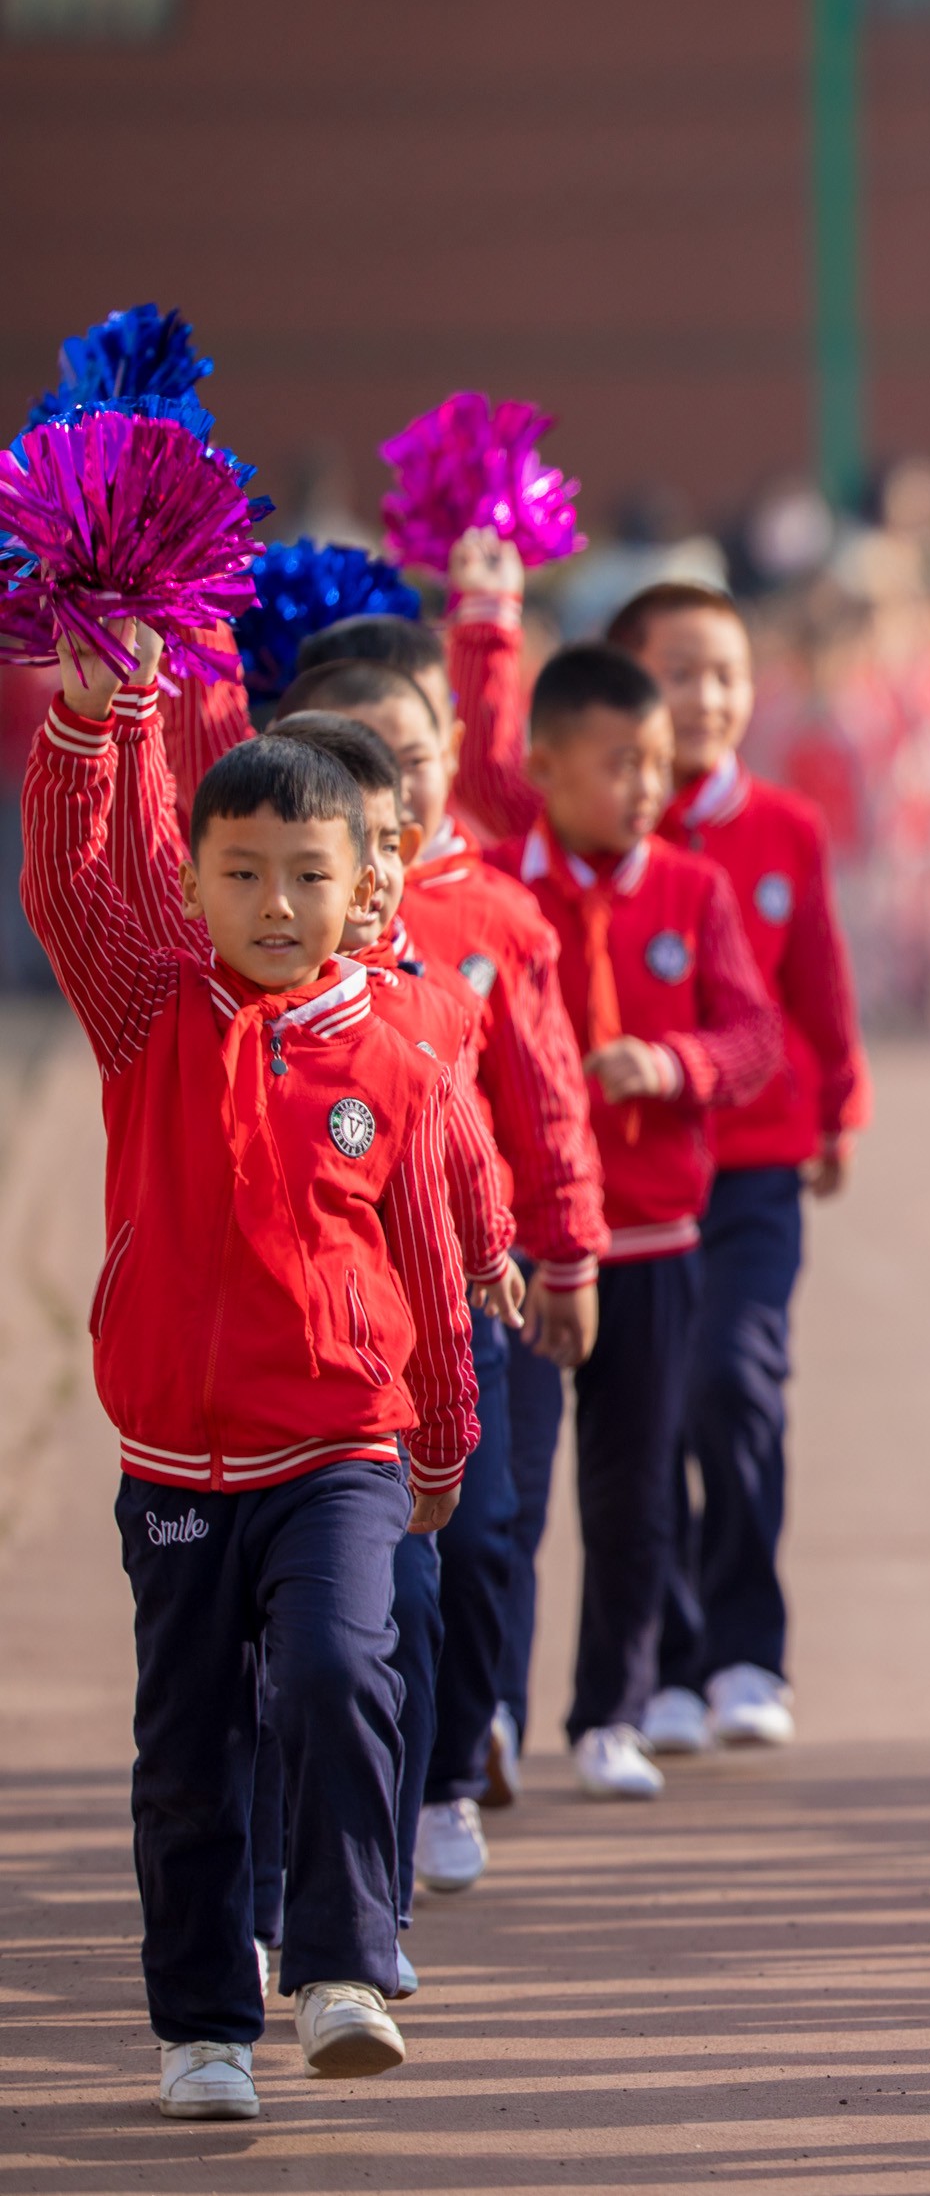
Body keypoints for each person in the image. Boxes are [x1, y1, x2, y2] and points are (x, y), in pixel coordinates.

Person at [23, 627, 477, 2121]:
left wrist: (443, 1442)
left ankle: (345, 1961)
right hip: (174, 1467)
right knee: (187, 1752)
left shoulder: (394, 1063)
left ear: (361, 893)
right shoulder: (149, 1018)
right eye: (239, 874)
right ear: (199, 882)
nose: (272, 905)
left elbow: (422, 1259)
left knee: (345, 1669)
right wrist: (96, 726)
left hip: (339, 1445)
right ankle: (206, 2023)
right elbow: (73, 887)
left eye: (306, 876)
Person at [288, 630, 606, 1825]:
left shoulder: (493, 918)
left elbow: (542, 1096)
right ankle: (385, 1791)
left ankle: (462, 1756)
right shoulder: (279, 918)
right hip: (327, 1308)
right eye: (365, 756)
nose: (397, 781)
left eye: (414, 754)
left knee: (480, 1542)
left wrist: (562, 1249)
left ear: (450, 756)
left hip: (471, 1291)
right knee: (374, 1578)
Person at [489, 644, 783, 1801]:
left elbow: (752, 1038)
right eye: (619, 765)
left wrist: (667, 1065)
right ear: (543, 767)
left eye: (657, 764)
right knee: (504, 1494)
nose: (646, 786)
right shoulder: (506, 898)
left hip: (655, 1238)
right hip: (522, 1242)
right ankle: (489, 1721)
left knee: (635, 1492)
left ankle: (610, 1709)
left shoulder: (692, 891)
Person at [608, 580, 872, 1756]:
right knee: (651, 1411)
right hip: (636, 1177)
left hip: (760, 1162)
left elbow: (817, 980)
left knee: (735, 1384)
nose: (706, 698)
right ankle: (666, 1664)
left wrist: (839, 1109)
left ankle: (748, 1651)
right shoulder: (605, 840)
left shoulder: (784, 828)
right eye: (679, 673)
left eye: (724, 674)